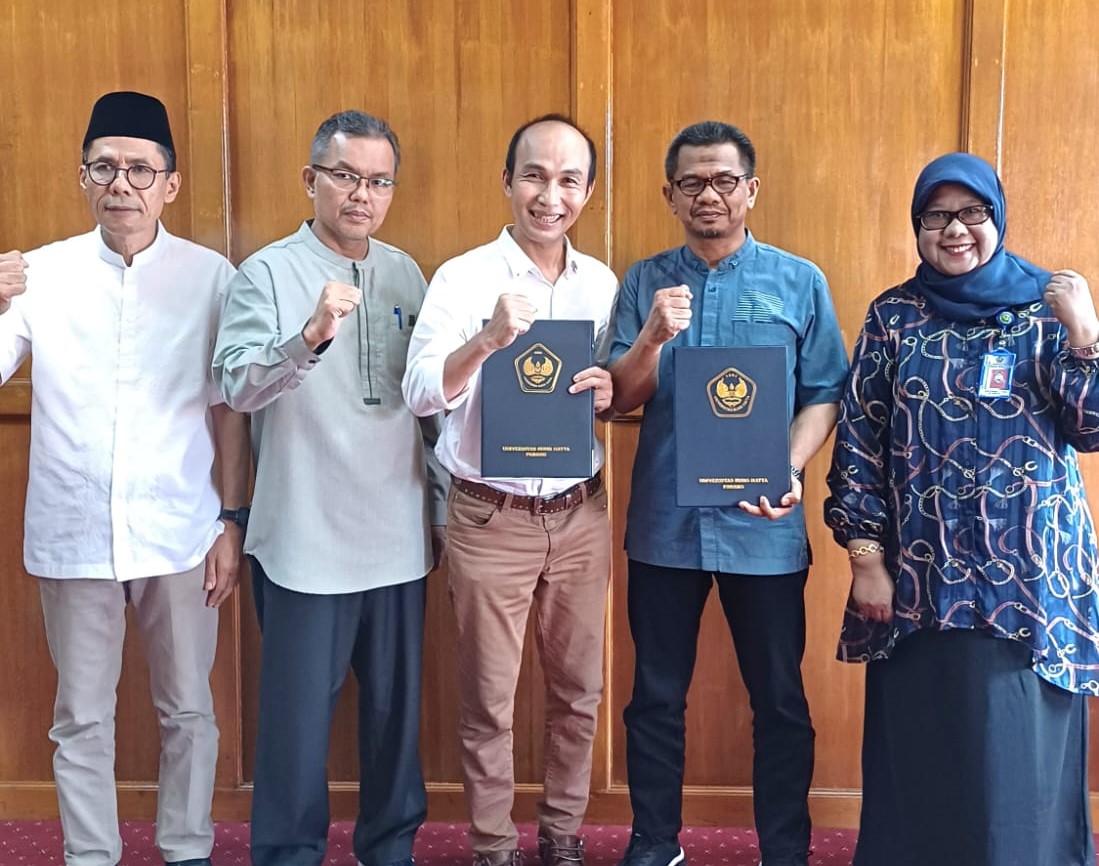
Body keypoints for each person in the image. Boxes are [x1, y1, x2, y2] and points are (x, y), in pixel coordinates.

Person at [824, 152, 1099, 866]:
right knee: (926, 746)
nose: (954, 230)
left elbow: (1092, 428)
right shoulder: (893, 315)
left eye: (971, 213)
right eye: (936, 216)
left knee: (1017, 755)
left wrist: (1084, 336)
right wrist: (864, 557)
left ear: (996, 216)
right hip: (922, 578)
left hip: (1029, 583)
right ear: (917, 226)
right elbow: (859, 439)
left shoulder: (1046, 307)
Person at [0, 91, 249, 866]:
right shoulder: (39, 273)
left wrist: (231, 521)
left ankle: (186, 849)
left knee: (189, 711)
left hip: (181, 530)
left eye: (141, 169)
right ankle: (89, 856)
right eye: (104, 167)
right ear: (83, 177)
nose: (121, 184)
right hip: (73, 532)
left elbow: (230, 410)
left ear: (170, 184)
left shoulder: (212, 277)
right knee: (80, 717)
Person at [608, 121, 847, 866]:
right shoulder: (643, 282)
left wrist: (789, 467)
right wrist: (651, 337)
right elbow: (619, 397)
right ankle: (654, 845)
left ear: (750, 189)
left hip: (764, 530)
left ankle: (785, 850)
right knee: (654, 697)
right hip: (665, 526)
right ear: (670, 194)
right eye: (691, 182)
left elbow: (824, 393)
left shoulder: (799, 281)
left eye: (722, 180)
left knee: (779, 699)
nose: (707, 194)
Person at [212, 110, 445, 866]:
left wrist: (441, 511)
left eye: (379, 181)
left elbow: (427, 410)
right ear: (310, 179)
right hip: (304, 538)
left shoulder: (407, 273)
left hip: (398, 534)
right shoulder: (266, 273)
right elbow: (236, 387)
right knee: (296, 724)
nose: (361, 194)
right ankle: (287, 852)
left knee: (393, 719)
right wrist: (308, 336)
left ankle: (390, 849)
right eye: (345, 176)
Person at [402, 114, 618, 866]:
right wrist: (487, 340)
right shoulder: (463, 278)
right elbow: (420, 391)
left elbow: (613, 391)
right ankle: (493, 848)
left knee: (579, 695)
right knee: (488, 703)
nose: (550, 197)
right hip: (490, 516)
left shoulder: (601, 284)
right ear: (507, 181)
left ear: (586, 193)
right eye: (534, 176)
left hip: (580, 514)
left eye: (568, 181)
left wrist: (606, 390)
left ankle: (562, 838)